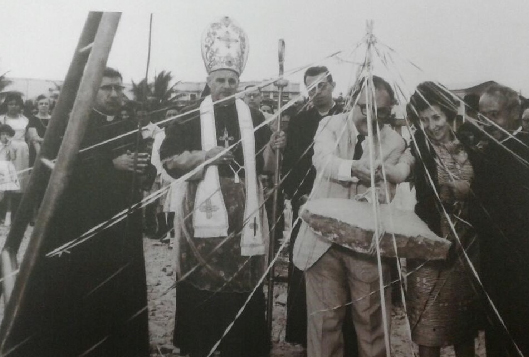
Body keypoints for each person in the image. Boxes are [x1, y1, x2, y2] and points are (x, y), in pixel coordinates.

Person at [3, 67, 152, 356]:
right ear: (91, 91)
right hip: (83, 221)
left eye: (118, 88)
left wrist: (145, 168)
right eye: (106, 88)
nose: (114, 94)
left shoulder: (128, 125)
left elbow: (140, 167)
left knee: (118, 291)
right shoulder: (73, 126)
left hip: (121, 224)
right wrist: (111, 165)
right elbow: (63, 171)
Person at [160, 16, 283, 357]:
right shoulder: (187, 116)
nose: (227, 86)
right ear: (209, 80)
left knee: (241, 287)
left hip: (245, 218)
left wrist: (275, 147)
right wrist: (203, 156)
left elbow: (267, 169)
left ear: (239, 82)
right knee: (202, 286)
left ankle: (242, 346)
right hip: (201, 220)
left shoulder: (254, 116)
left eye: (232, 80)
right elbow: (169, 162)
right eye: (220, 80)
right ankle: (199, 346)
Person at [293, 75, 412, 357]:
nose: (371, 117)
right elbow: (322, 160)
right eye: (364, 107)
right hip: (322, 243)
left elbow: (388, 189)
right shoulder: (329, 125)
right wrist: (353, 169)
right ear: (351, 101)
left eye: (380, 112)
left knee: (372, 327)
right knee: (324, 326)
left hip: (366, 246)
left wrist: (379, 193)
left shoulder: (394, 141)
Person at [281, 65, 357, 352]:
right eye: (311, 88)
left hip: (343, 202)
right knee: (305, 266)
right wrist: (297, 196)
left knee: (343, 270)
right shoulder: (300, 121)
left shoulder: (349, 116)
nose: (317, 92)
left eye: (322, 86)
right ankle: (305, 336)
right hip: (309, 204)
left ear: (333, 84)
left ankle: (346, 338)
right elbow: (290, 165)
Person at [406, 82, 481, 357]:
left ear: (449, 115)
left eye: (436, 117)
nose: (430, 125)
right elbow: (405, 168)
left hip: (468, 244)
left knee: (464, 325)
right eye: (424, 119)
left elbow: (488, 188)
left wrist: (469, 192)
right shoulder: (418, 143)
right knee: (429, 325)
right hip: (430, 241)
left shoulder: (471, 141)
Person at [464, 83, 529, 357]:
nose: (487, 122)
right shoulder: (484, 150)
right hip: (493, 256)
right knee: (497, 329)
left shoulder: (524, 149)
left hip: (522, 259)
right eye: (483, 115)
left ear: (515, 113)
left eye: (494, 114)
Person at [0, 92, 30, 221]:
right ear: (6, 105)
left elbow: (28, 138)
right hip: (4, 149)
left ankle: (15, 214)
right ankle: (2, 213)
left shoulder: (25, 119)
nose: (13, 106)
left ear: (20, 106)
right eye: (10, 104)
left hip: (21, 151)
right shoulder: (1, 119)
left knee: (19, 180)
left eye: (16, 104)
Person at [26, 94, 52, 166]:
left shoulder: (54, 118)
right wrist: (49, 140)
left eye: (46, 104)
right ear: (37, 106)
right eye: (41, 104)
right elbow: (34, 137)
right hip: (37, 148)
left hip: (52, 148)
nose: (44, 105)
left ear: (49, 105)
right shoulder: (33, 119)